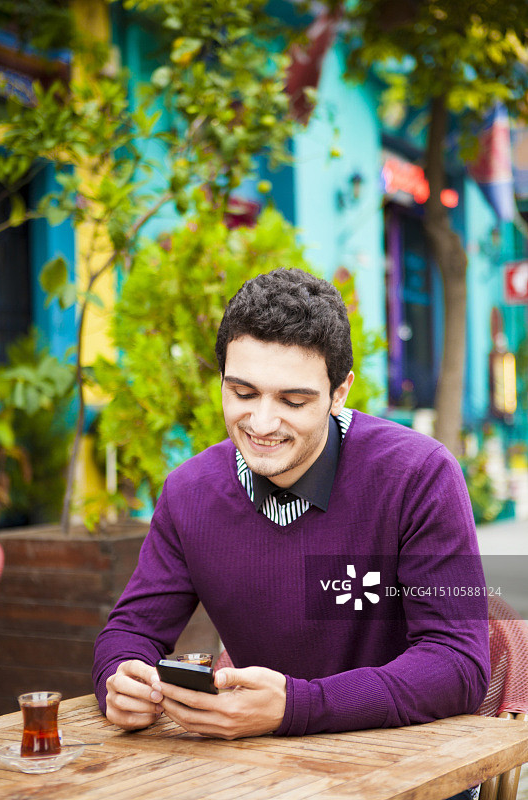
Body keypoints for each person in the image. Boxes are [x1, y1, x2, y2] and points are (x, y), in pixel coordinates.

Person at [93, 268, 490, 751]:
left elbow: (458, 664)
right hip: (260, 767)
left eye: (293, 400)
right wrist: (121, 681)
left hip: (405, 759)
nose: (261, 423)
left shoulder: (419, 475)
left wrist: (296, 706)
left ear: (339, 393)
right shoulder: (188, 493)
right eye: (242, 393)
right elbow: (130, 631)